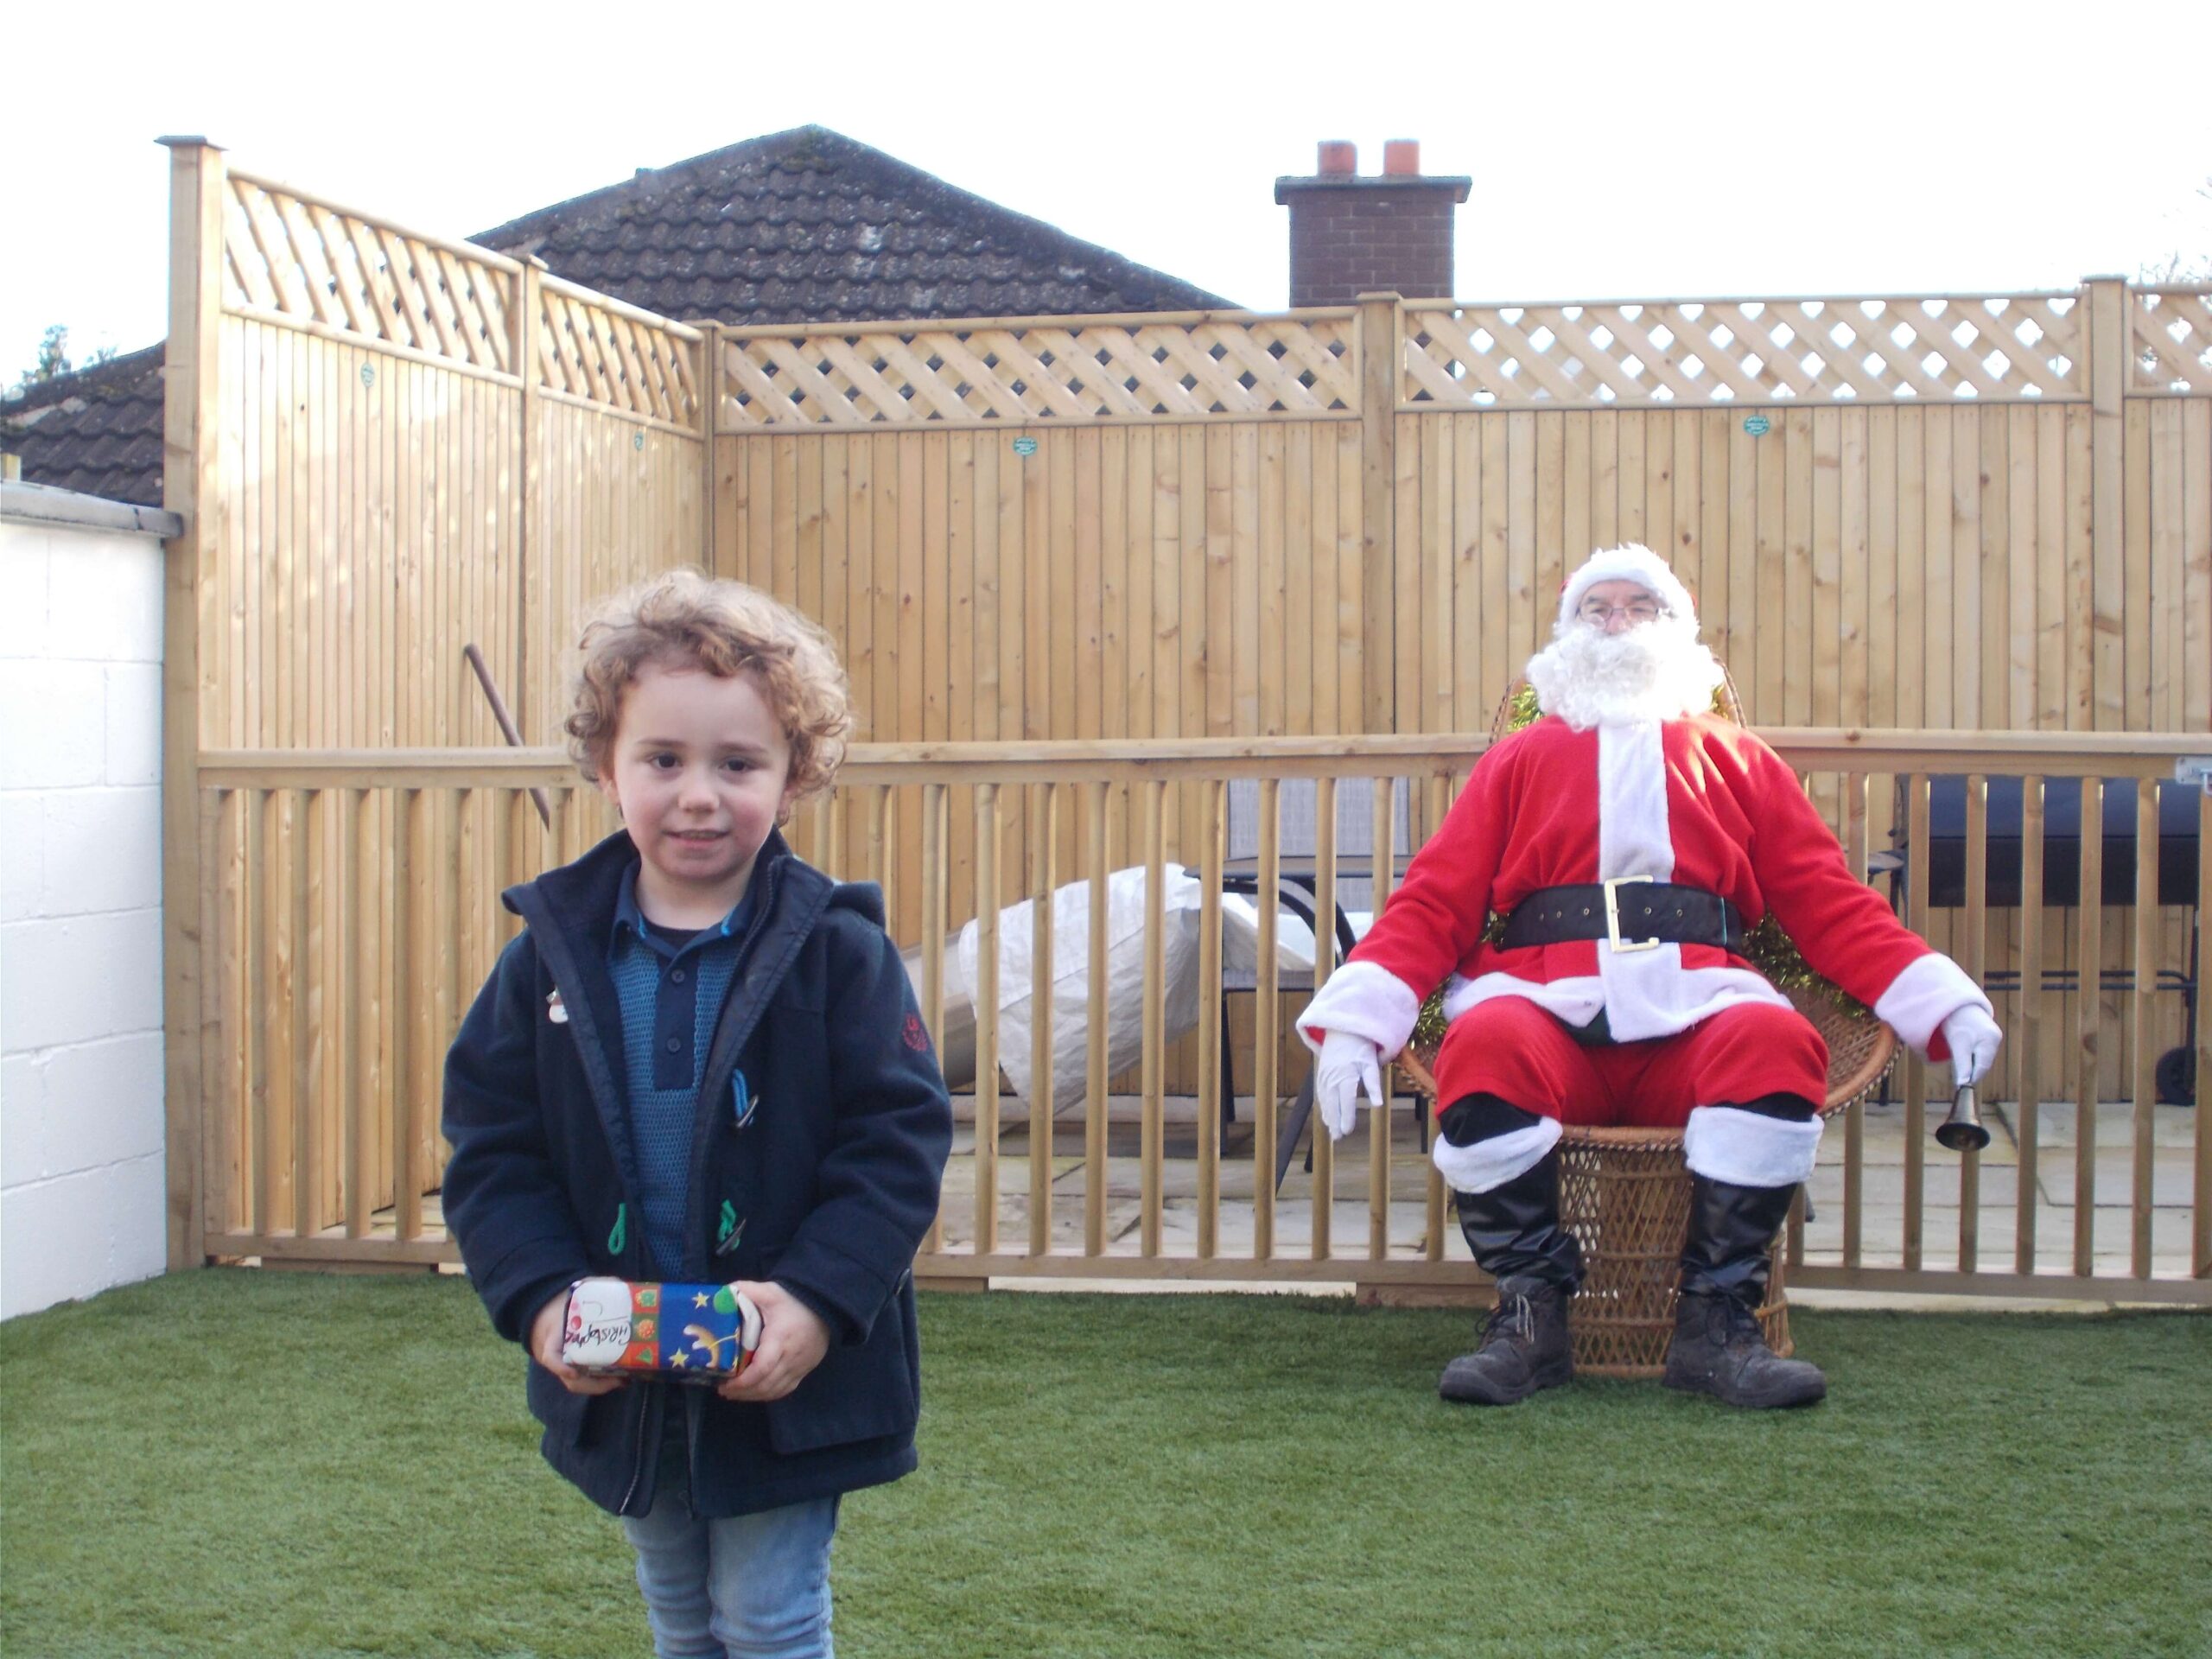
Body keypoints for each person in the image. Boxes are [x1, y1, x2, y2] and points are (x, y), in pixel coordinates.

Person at [1299, 543, 2000, 1410]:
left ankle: (1717, 1327)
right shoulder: (1517, 761)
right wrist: (1356, 1018)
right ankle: (1530, 1320)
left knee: (1774, 1037)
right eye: (1598, 609)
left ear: (1677, 629)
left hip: (1699, 1013)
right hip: (1546, 1009)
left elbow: (1828, 902)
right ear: (1569, 633)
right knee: (1485, 1040)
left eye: (1640, 606)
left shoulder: (1740, 759)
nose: (1618, 622)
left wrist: (1940, 999)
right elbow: (1434, 901)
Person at [442, 570, 951, 1658]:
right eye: (663, 760)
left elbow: (897, 1143)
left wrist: (815, 1304)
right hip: (624, 1372)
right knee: (679, 1616)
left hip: (782, 1372)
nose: (699, 795)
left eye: (738, 764)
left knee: (768, 1618)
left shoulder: (839, 953)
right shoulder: (548, 958)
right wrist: (541, 1300)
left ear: (793, 776)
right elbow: (493, 1151)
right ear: (606, 766)